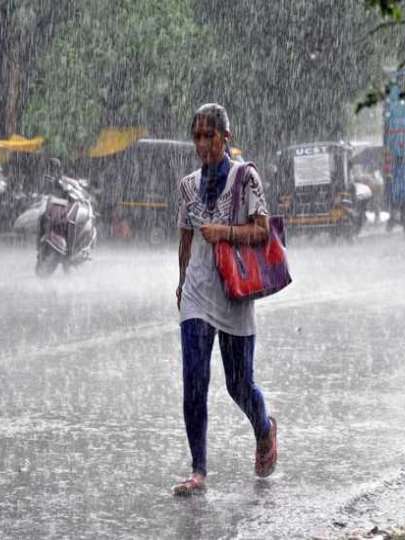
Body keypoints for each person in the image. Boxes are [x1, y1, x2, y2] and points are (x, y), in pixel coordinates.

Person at [173, 103, 277, 496]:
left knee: (238, 384)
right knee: (194, 379)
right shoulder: (187, 185)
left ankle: (265, 428)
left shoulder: (245, 177)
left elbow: (263, 230)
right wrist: (181, 281)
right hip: (198, 292)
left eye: (209, 136)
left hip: (234, 292)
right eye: (197, 136)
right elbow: (185, 237)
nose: (203, 144)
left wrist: (225, 232)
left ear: (225, 137)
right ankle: (198, 469)